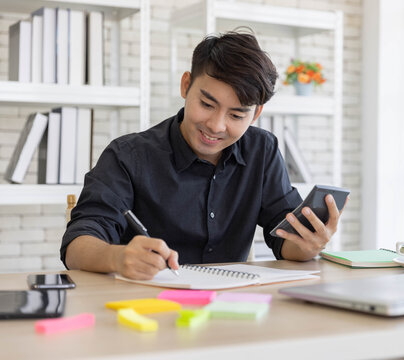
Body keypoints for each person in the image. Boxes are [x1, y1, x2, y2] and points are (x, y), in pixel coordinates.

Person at [61, 30, 346, 280]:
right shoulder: (128, 155)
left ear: (256, 113)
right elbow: (77, 245)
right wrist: (117, 257)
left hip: (228, 310)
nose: (216, 125)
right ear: (186, 85)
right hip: (145, 308)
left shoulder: (263, 150)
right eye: (207, 104)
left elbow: (284, 239)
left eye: (236, 114)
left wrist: (308, 244)